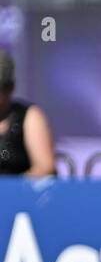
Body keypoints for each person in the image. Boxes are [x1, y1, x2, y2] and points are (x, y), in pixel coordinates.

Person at [0, 49, 55, 177]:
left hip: (18, 194)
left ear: (10, 88)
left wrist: (13, 189)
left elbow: (45, 168)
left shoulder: (29, 116)